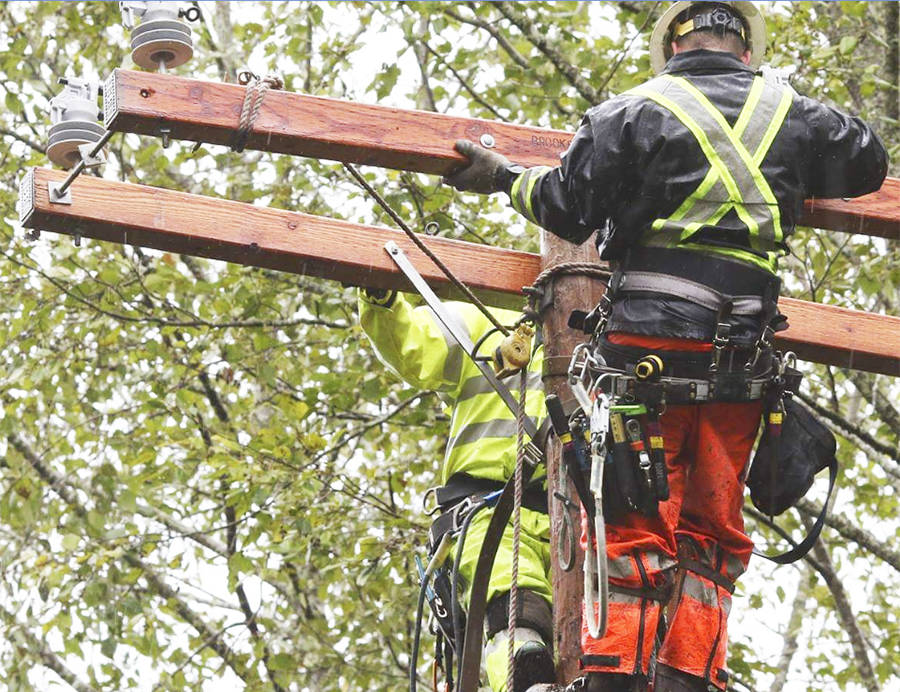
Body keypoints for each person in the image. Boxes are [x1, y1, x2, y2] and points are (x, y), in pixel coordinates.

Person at [443, 2, 889, 691]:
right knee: (712, 535)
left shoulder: (629, 113)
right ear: (747, 52)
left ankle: (616, 678)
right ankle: (690, 677)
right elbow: (866, 163)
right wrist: (789, 126)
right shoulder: (792, 115)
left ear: (673, 48)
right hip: (740, 365)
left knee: (631, 524)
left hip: (646, 358)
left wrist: (504, 177)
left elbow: (565, 206)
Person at [358, 288, 556, 692]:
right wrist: (381, 298)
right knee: (515, 609)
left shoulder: (608, 335)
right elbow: (414, 345)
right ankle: (527, 679)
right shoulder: (483, 320)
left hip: (579, 521)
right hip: (491, 510)